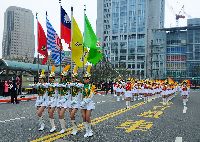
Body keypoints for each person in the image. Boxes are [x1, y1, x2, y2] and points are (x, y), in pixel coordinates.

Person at [80, 67, 95, 138]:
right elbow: (80, 95)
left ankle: (90, 130)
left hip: (89, 103)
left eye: (86, 78)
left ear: (89, 79)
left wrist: (85, 101)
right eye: (84, 78)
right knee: (83, 117)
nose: (85, 80)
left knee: (87, 117)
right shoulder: (81, 86)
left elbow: (91, 95)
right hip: (83, 102)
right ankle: (86, 131)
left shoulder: (91, 86)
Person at [57, 65, 71, 134]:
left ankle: (64, 128)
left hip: (65, 100)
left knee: (61, 114)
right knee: (59, 114)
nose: (62, 77)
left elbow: (69, 93)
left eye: (63, 76)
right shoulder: (59, 83)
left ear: (65, 77)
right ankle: (63, 127)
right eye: (61, 76)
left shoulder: (68, 84)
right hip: (60, 99)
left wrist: (65, 99)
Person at [47, 66, 58, 133]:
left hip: (54, 100)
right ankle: (53, 126)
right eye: (50, 78)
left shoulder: (56, 84)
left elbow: (57, 93)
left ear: (54, 78)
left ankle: (54, 127)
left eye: (52, 78)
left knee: (51, 112)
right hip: (49, 100)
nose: (50, 79)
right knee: (50, 114)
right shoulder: (48, 85)